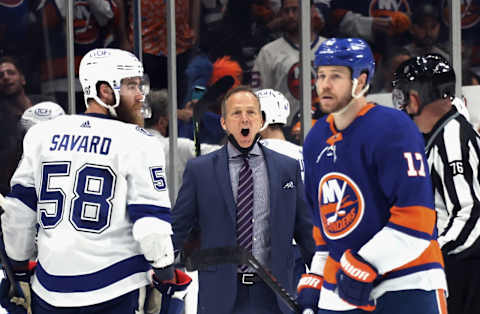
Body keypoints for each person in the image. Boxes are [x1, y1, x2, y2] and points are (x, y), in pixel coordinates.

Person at [0, 48, 189, 314]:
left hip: (49, 288)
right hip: (115, 287)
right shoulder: (138, 140)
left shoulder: (42, 134)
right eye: (131, 86)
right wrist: (165, 271)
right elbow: (151, 223)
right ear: (104, 91)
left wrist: (19, 269)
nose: (140, 95)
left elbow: (18, 212)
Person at [298, 38, 447, 314]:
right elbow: (325, 230)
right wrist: (317, 277)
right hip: (342, 291)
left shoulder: (393, 127)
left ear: (361, 79)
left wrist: (366, 262)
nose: (324, 85)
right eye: (320, 75)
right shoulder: (315, 140)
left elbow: (418, 221)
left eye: (336, 76)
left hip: (407, 280)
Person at [172, 85, 315, 314]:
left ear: (261, 121)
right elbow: (179, 226)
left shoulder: (286, 168)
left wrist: (320, 278)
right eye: (236, 113)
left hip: (276, 294)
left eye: (251, 113)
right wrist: (160, 267)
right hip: (219, 296)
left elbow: (306, 230)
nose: (244, 119)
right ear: (224, 123)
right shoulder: (200, 170)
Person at [392, 53, 480, 314]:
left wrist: (432, 253)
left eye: (405, 92)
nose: (403, 100)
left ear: (419, 96)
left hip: (464, 268)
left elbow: (471, 212)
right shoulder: (436, 135)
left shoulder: (453, 139)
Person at [251, 0, 326, 126]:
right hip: (283, 133)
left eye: (295, 10)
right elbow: (258, 98)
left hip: (327, 131)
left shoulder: (330, 48)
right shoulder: (268, 52)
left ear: (312, 11)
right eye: (286, 11)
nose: (290, 15)